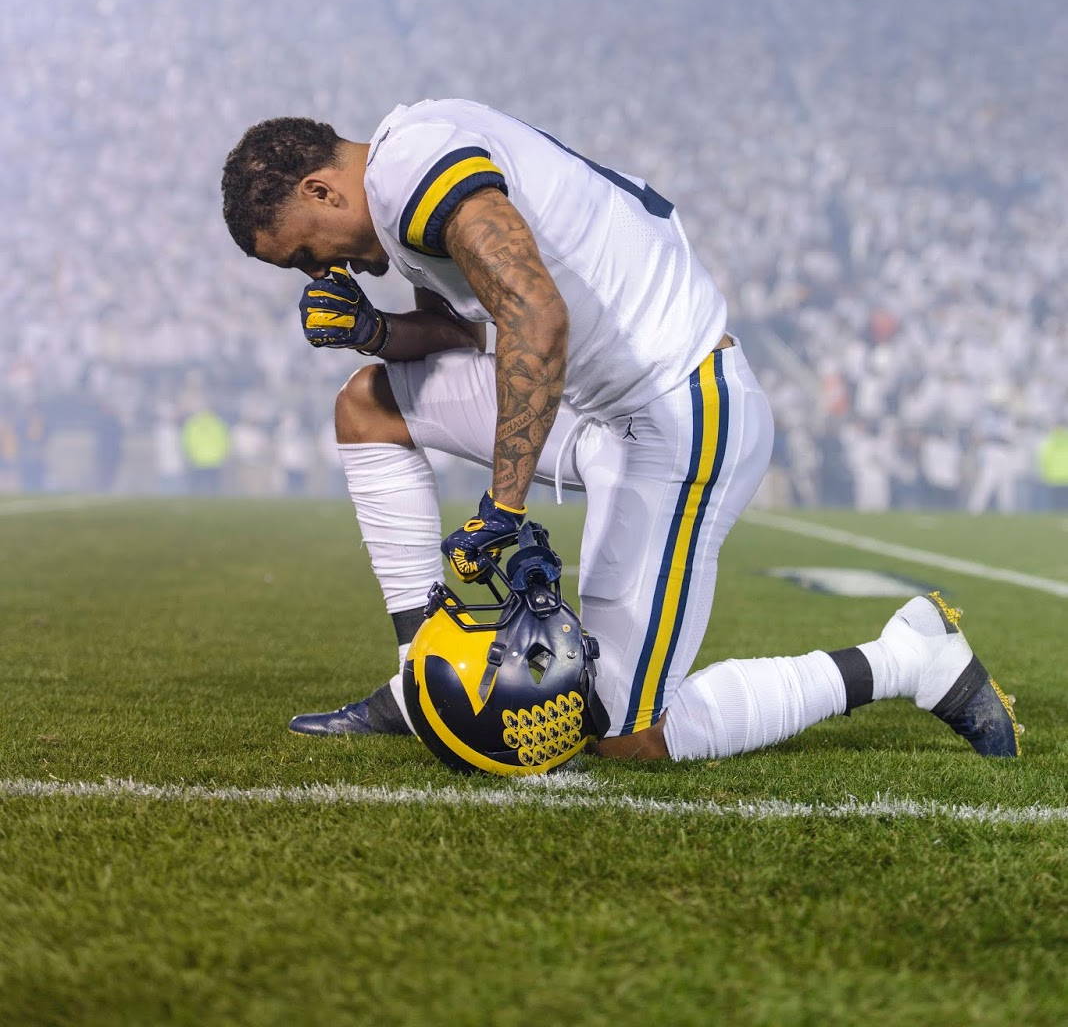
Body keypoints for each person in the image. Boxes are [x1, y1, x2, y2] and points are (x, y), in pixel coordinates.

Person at [220, 101, 1020, 762]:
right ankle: (419, 677)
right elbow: (472, 333)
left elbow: (536, 315)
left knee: (621, 735)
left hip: (678, 412)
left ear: (323, 190)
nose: (319, 271)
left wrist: (502, 506)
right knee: (371, 404)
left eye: (302, 253)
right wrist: (376, 334)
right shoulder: (407, 188)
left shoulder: (408, 172)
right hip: (600, 409)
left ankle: (907, 658)